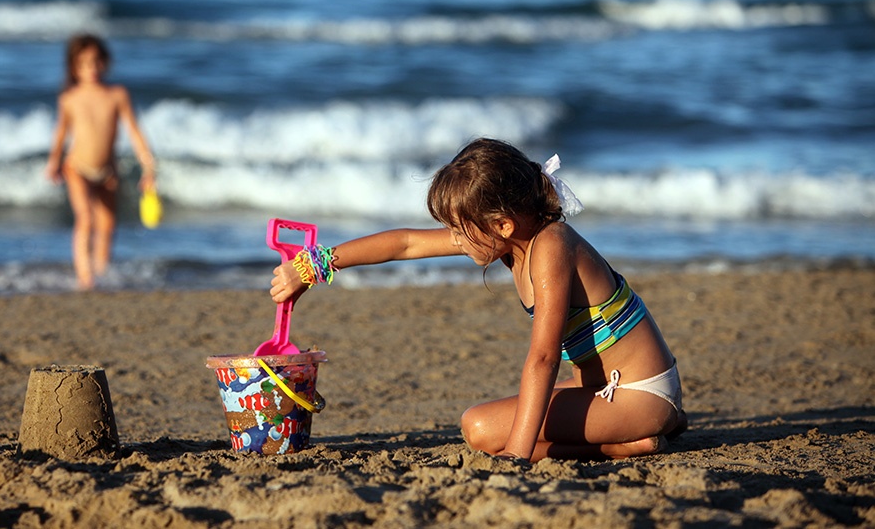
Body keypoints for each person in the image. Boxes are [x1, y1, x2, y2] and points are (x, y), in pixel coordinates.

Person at [269, 138, 686, 462]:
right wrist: (312, 267)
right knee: (486, 426)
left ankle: (623, 443)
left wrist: (518, 455)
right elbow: (406, 244)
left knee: (482, 428)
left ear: (502, 224)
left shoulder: (551, 247)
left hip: (637, 393)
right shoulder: (509, 241)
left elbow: (543, 358)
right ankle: (626, 439)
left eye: (460, 229)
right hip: (599, 386)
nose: (455, 239)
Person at [46, 33, 158, 290]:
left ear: (105, 62)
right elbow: (60, 134)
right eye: (84, 63)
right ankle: (85, 277)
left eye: (96, 62)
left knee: (107, 224)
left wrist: (148, 166)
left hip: (108, 170)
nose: (92, 68)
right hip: (77, 168)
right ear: (74, 67)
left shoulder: (116, 94)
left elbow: (134, 131)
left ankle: (101, 269)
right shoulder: (69, 98)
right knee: (85, 218)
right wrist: (54, 162)